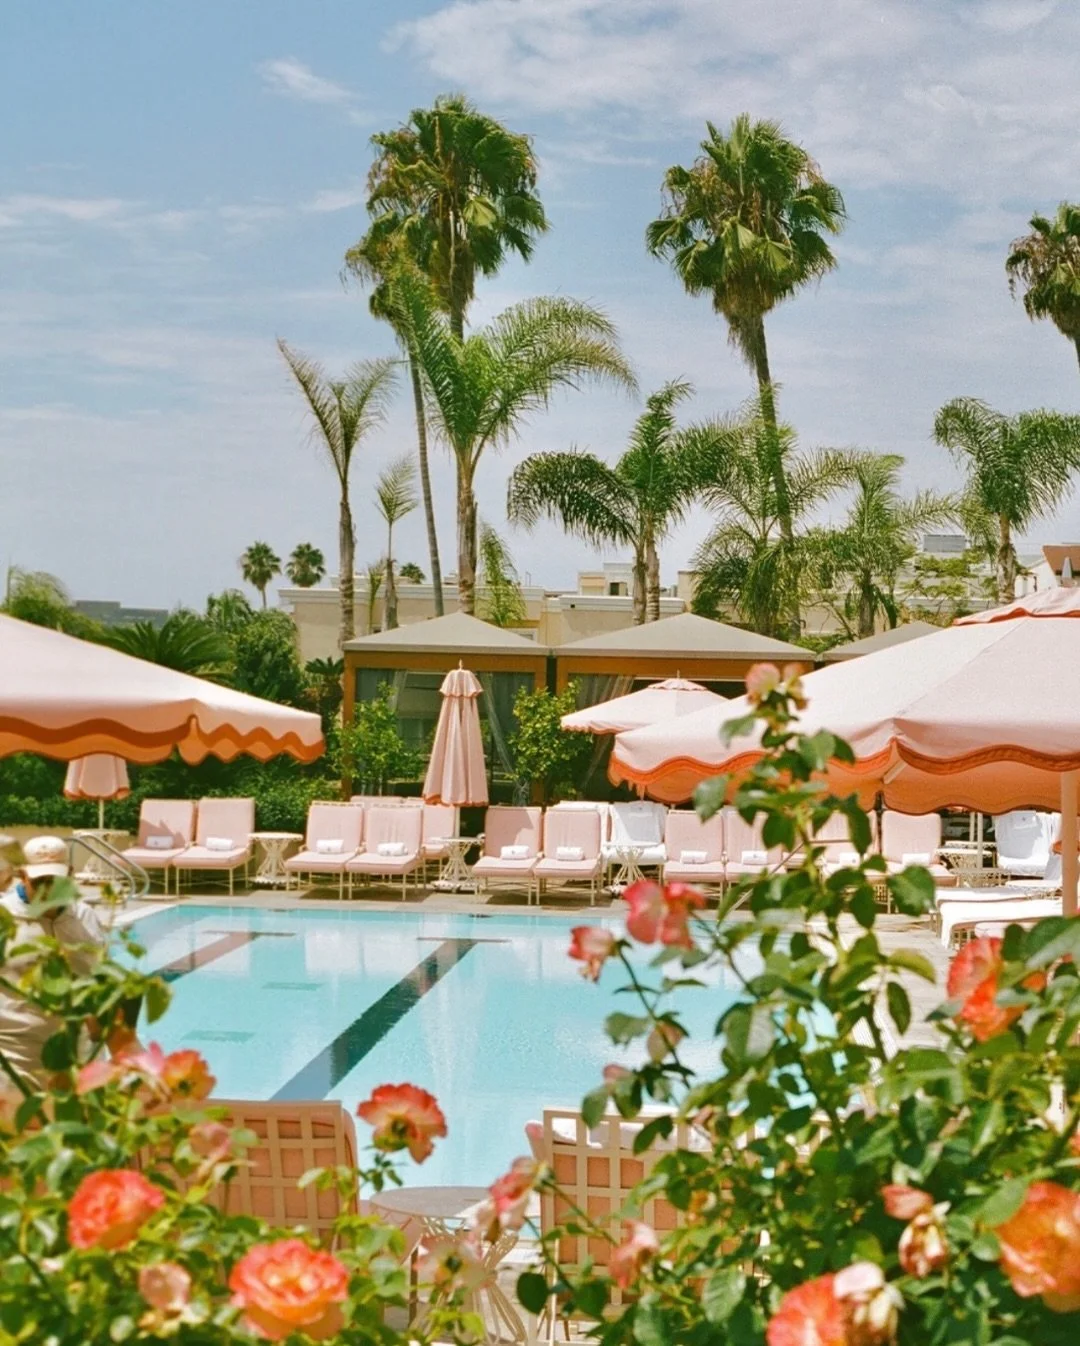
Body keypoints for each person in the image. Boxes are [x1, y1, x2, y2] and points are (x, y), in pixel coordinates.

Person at [0, 835, 108, 1095]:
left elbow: (98, 981)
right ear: (22, 875)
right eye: (41, 882)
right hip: (16, 1058)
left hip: (78, 1055)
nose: (49, 890)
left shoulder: (85, 916)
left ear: (70, 874)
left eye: (57, 881)